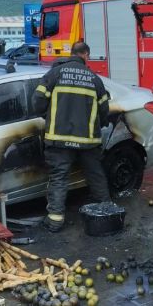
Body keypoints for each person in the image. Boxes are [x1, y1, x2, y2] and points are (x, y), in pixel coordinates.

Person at [32, 41, 112, 232]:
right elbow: (104, 110)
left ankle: (55, 221)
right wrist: (98, 125)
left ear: (71, 53)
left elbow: (37, 100)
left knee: (59, 179)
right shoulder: (94, 79)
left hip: (59, 139)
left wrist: (47, 115)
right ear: (85, 55)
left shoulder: (55, 74)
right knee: (96, 176)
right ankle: (108, 213)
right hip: (88, 141)